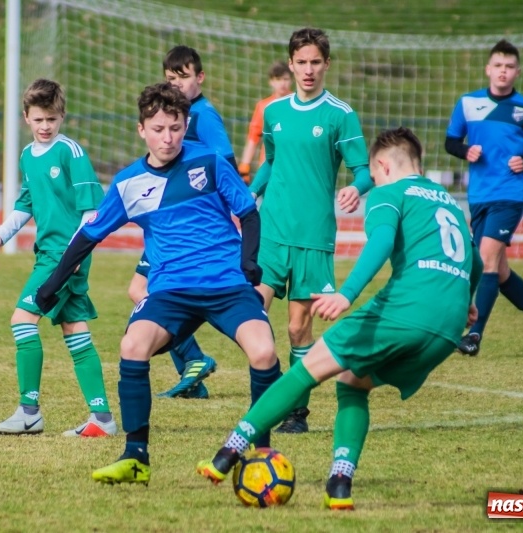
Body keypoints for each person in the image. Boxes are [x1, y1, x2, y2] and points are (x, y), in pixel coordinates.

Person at [198, 127, 483, 510]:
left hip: (407, 309)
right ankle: (339, 483)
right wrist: (467, 300)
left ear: (382, 165)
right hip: (447, 329)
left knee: (307, 369)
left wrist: (345, 294)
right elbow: (476, 259)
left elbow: (381, 243)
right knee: (353, 381)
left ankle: (226, 453)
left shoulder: (388, 193)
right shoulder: (449, 202)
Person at [35, 82, 281, 485]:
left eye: (176, 128)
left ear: (186, 126)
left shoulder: (211, 162)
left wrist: (248, 261)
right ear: (142, 130)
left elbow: (249, 214)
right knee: (132, 344)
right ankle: (136, 456)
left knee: (265, 352)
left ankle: (262, 454)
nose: (168, 137)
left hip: (226, 284)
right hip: (170, 291)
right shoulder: (129, 183)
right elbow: (87, 237)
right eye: (159, 128)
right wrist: (50, 286)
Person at [246, 27, 373, 433]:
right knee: (251, 311)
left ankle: (297, 411)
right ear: (290, 64)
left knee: (299, 327)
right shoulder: (274, 112)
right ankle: (264, 401)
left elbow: (365, 171)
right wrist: (249, 195)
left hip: (313, 236)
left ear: (326, 64)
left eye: (315, 62)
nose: (308, 70)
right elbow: (270, 162)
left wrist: (356, 187)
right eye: (301, 62)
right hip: (271, 231)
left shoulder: (340, 114)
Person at [0, 78, 116, 437]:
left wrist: (72, 258)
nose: (46, 127)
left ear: (62, 117)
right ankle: (102, 418)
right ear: (26, 117)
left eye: (52, 120)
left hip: (64, 255)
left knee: (22, 320)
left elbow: (92, 214)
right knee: (75, 330)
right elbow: (25, 204)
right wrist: (0, 234)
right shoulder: (28, 156)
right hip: (49, 253)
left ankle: (29, 411)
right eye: (39, 119)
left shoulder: (70, 153)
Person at [126, 45, 239, 400]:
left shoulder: (203, 116)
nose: (176, 85)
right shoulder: (175, 114)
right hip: (168, 222)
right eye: (170, 79)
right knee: (139, 290)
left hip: (195, 227)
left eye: (183, 78)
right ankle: (193, 370)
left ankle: (194, 359)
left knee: (154, 291)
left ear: (199, 78)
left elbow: (226, 162)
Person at [445, 39, 523, 358]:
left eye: (509, 67)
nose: (503, 72)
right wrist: (466, 150)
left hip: (510, 194)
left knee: (487, 260)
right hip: (479, 195)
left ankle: (474, 334)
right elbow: (451, 141)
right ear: (488, 69)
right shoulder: (468, 103)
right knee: (498, 270)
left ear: (517, 72)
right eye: (498, 66)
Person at [237, 60, 293, 184]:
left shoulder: (300, 104)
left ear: (291, 80)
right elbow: (253, 138)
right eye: (278, 79)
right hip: (269, 168)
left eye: (285, 79)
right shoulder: (264, 107)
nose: (282, 83)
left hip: (293, 167)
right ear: (271, 82)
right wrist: (244, 166)